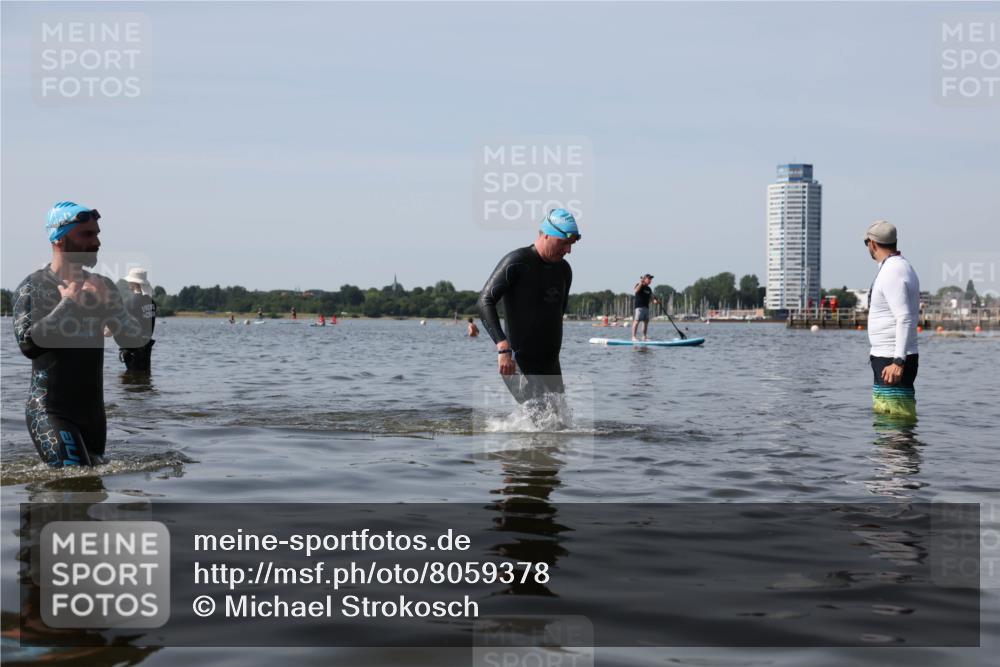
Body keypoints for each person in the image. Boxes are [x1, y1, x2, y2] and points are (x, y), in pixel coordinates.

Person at [13, 202, 148, 467]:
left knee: (92, 493)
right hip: (50, 412)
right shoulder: (34, 287)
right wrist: (68, 304)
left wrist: (111, 307)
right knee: (73, 486)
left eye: (97, 234)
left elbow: (134, 342)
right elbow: (28, 345)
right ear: (60, 239)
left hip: (93, 416)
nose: (97, 242)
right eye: (87, 235)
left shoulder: (102, 285)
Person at [478, 208, 579, 403]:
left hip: (551, 365)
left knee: (558, 427)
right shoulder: (517, 262)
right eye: (564, 243)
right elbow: (484, 301)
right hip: (518, 363)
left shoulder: (564, 270)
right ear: (547, 235)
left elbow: (556, 316)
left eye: (571, 244)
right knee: (539, 423)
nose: (568, 250)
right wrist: (502, 347)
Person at [864, 220, 920, 419]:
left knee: (895, 422)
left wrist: (898, 361)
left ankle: (901, 451)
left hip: (892, 359)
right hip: (889, 357)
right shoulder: (900, 266)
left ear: (872, 243)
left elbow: (904, 317)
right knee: (888, 421)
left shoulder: (892, 271)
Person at [118, 267, 156, 373]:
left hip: (133, 349)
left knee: (132, 380)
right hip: (147, 347)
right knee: (145, 376)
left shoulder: (130, 303)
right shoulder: (151, 301)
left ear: (134, 283)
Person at [631, 274, 660, 340]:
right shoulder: (639, 285)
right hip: (639, 307)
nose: (650, 281)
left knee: (646, 322)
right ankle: (633, 337)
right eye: (649, 279)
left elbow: (652, 298)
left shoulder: (649, 289)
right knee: (636, 321)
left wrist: (656, 301)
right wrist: (641, 283)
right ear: (645, 279)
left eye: (651, 279)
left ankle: (644, 336)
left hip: (646, 307)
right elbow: (636, 290)